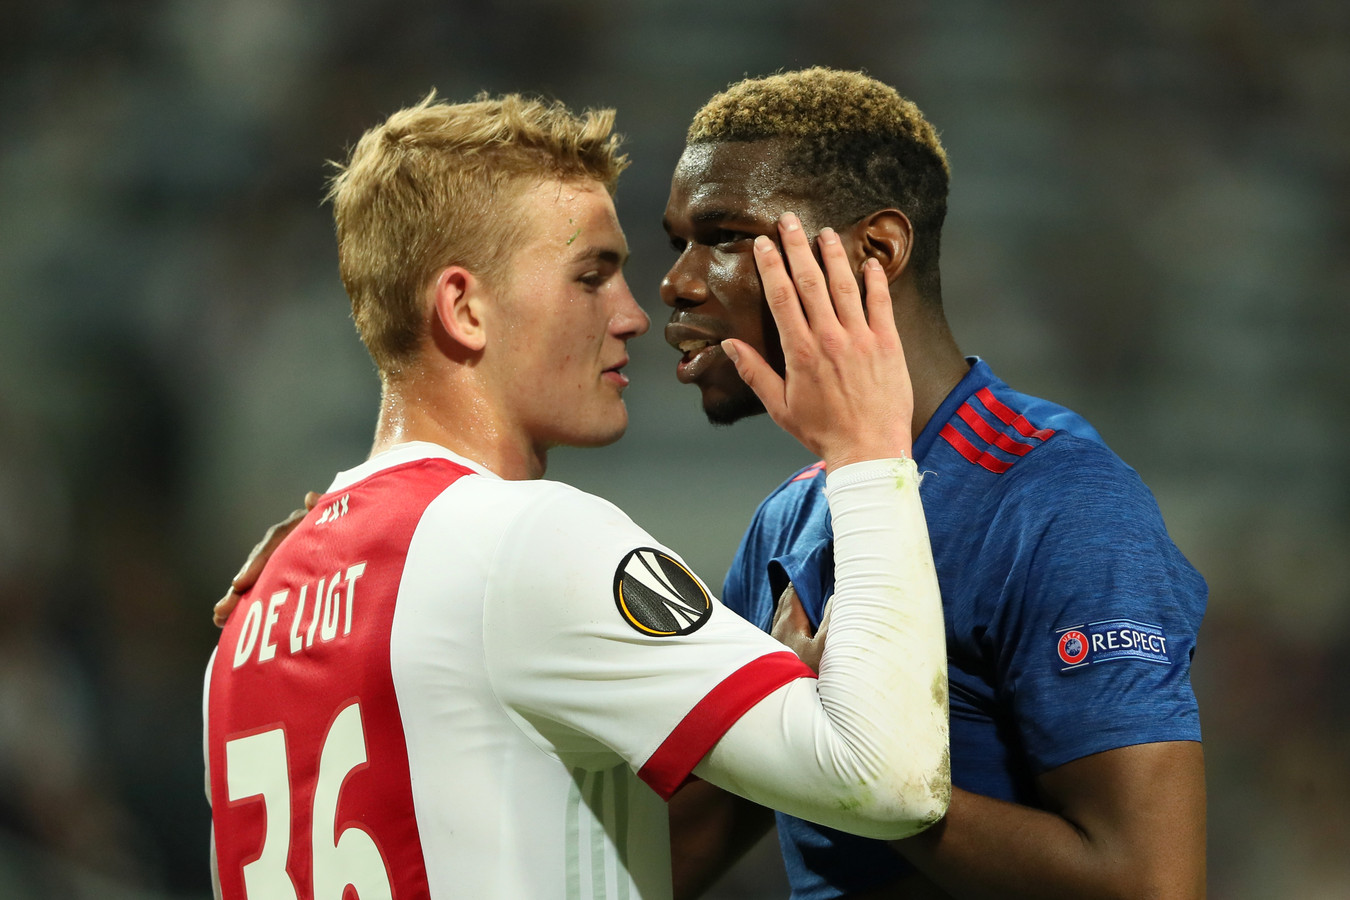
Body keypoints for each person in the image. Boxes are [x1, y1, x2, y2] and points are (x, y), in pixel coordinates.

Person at [203, 91, 952, 900]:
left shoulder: (250, 620)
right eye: (591, 276)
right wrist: (868, 450)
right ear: (464, 308)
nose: (633, 315)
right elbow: (890, 781)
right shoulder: (529, 538)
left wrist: (757, 713)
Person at [659, 68, 1207, 899]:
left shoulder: (1056, 500)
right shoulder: (789, 521)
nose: (678, 281)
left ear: (877, 250)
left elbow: (1148, 884)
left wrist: (850, 756)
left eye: (727, 236)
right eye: (679, 243)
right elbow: (666, 859)